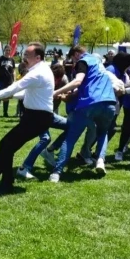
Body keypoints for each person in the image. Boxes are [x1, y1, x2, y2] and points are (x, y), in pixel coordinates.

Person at [0, 43, 55, 193]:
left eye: (27, 56)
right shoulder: (41, 70)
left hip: (37, 118)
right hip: (35, 117)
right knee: (7, 145)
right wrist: (11, 96)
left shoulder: (37, 73)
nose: (23, 59)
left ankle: (3, 183)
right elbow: (27, 93)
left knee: (7, 144)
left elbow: (13, 87)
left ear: (38, 57)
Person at [50, 46, 119, 180]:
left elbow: (77, 81)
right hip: (110, 103)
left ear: (76, 54)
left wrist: (56, 92)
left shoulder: (83, 61)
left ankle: (56, 173)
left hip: (90, 103)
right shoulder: (99, 64)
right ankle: (100, 160)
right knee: (102, 132)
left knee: (70, 138)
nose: (74, 63)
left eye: (73, 59)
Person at [0, 45, 15, 118]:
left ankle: (5, 112)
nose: (8, 51)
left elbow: (13, 71)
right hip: (0, 81)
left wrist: (14, 80)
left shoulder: (12, 60)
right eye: (6, 50)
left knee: (7, 97)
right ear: (4, 50)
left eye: (9, 50)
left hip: (9, 81)